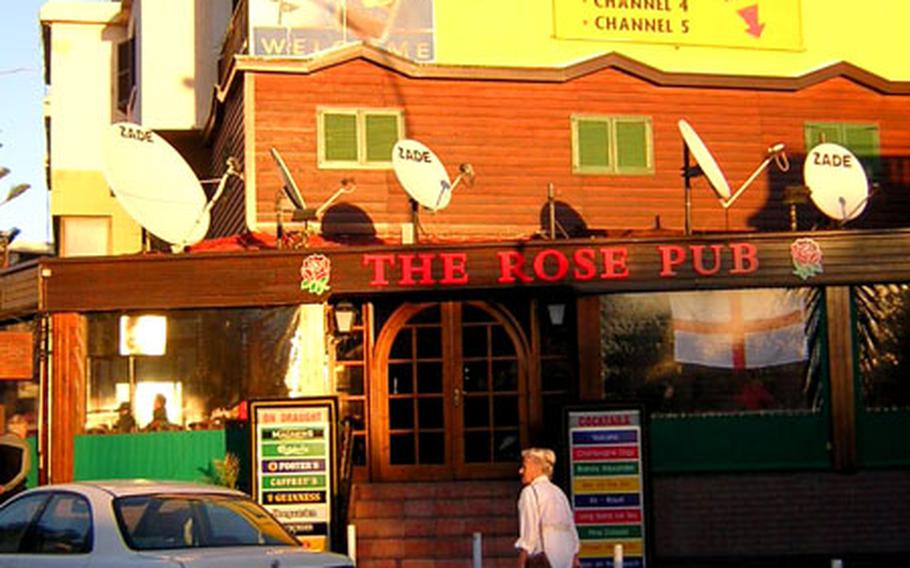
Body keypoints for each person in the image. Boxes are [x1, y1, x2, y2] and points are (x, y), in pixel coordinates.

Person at [515, 448, 580, 568]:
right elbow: (571, 529)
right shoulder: (559, 493)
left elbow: (529, 531)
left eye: (524, 467)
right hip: (566, 556)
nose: (520, 471)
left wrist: (521, 560)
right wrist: (574, 556)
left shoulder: (530, 492)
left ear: (536, 468)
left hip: (544, 557)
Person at [0, 414, 31, 504]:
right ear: (21, 429)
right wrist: (5, 487)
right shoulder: (23, 446)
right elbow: (23, 471)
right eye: (25, 428)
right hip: (15, 492)